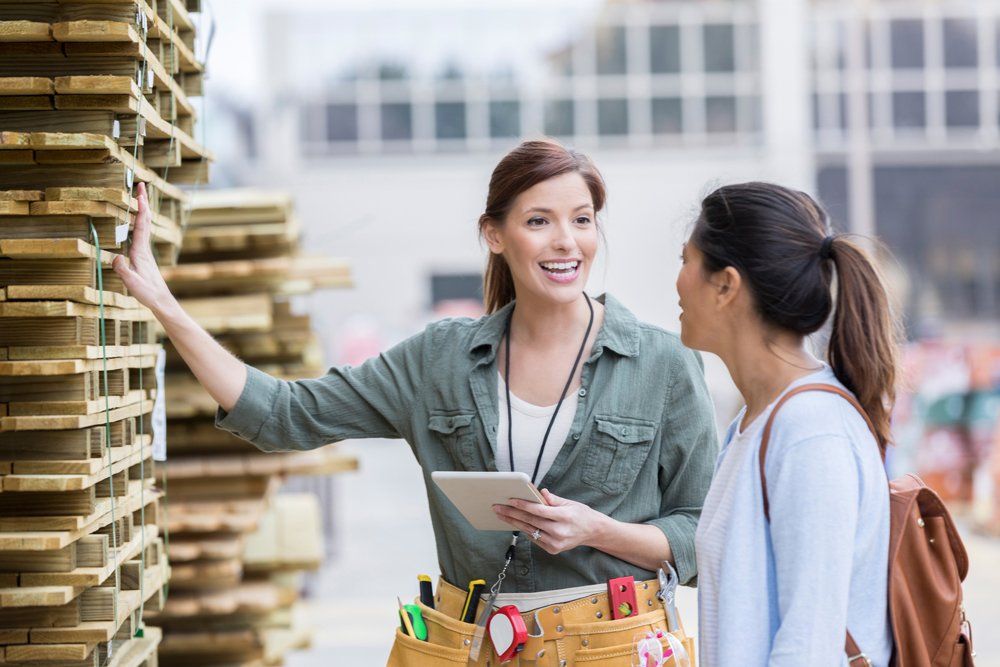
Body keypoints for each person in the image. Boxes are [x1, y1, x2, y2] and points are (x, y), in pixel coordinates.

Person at [115, 139, 718, 665]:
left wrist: (598, 532)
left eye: (582, 220)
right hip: (475, 646)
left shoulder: (661, 364)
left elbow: (702, 535)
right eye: (539, 221)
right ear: (494, 234)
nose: (567, 241)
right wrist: (164, 304)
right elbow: (284, 415)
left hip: (611, 649)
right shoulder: (439, 362)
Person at [678, 182, 896, 666]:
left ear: (726, 285)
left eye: (685, 261)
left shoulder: (811, 431)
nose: (678, 281)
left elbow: (809, 646)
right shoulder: (759, 420)